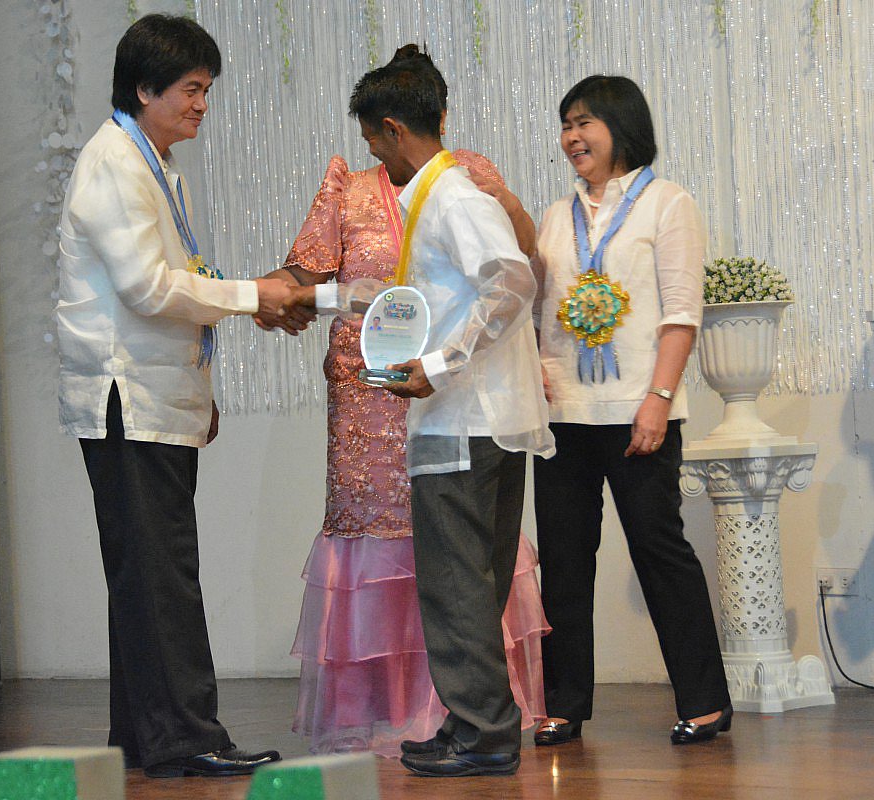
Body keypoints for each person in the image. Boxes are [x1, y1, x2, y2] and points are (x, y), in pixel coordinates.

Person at [261, 47, 549, 759]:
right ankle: (474, 722)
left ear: (393, 129)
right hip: (478, 421)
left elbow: (513, 281)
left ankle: (482, 734)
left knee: (455, 586)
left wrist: (440, 365)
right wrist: (307, 297)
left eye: (373, 141)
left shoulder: (451, 196)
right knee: (468, 584)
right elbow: (397, 299)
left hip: (464, 421)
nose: (373, 156)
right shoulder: (434, 197)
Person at [55, 14, 296, 778]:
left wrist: (198, 382)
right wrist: (252, 294)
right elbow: (149, 289)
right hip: (126, 396)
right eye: (191, 89)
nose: (201, 105)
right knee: (162, 574)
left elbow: (169, 289)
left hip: (154, 392)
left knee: (146, 572)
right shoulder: (115, 164)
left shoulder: (153, 163)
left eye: (205, 90)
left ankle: (143, 734)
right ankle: (187, 736)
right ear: (144, 89)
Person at [530, 74, 732, 747]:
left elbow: (681, 315)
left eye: (584, 122)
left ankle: (705, 701)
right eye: (566, 125)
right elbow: (537, 310)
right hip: (563, 414)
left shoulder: (667, 204)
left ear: (622, 126)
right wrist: (535, 364)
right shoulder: (555, 216)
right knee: (563, 562)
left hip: (640, 412)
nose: (572, 137)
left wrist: (659, 399)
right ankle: (564, 704)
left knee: (659, 551)